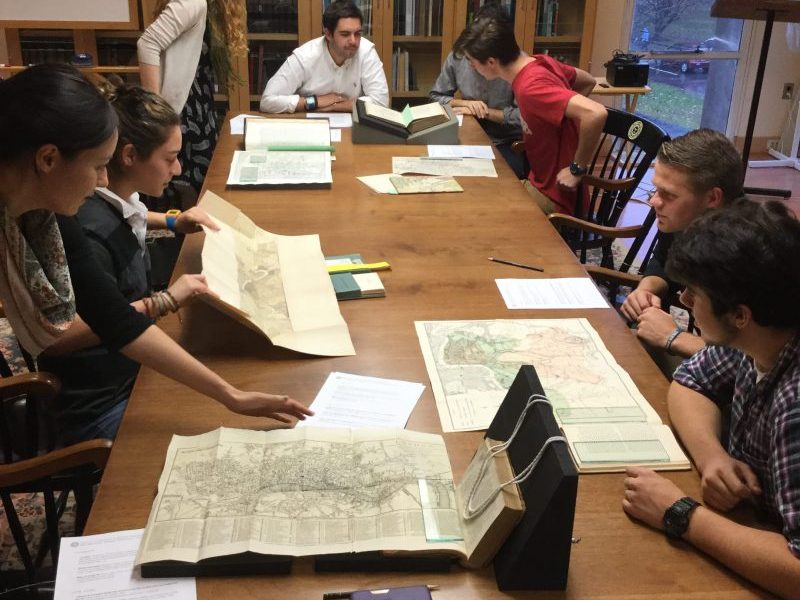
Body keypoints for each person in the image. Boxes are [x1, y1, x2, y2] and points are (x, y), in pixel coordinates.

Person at [0, 64, 311, 444]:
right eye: (98, 166)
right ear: (48, 160)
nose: (103, 181)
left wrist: (231, 396)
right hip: (89, 405)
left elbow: (115, 320)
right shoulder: (68, 215)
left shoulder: (49, 215)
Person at [622, 198, 800, 600]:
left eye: (693, 294)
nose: (684, 301)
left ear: (740, 314)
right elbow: (690, 383)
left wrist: (680, 512)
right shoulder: (754, 336)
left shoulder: (795, 404)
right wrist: (712, 457)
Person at [37, 81, 222, 444]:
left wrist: (171, 220)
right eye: (169, 158)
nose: (178, 168)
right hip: (102, 402)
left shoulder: (113, 200)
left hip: (122, 370)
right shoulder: (89, 230)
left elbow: (130, 215)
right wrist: (164, 300)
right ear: (129, 156)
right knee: (209, 417)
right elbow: (60, 338)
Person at [453, 14, 607, 216]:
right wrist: (565, 118)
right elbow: (588, 81)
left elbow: (595, 113)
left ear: (491, 62)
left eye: (472, 61)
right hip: (542, 182)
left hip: (553, 197)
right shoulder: (540, 62)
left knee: (473, 208)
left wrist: (577, 168)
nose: (471, 66)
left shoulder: (531, 87)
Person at [620, 129, 744, 363]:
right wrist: (647, 289)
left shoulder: (749, 255)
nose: (653, 201)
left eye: (668, 194)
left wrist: (675, 337)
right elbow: (663, 259)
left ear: (712, 198)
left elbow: (762, 364)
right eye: (656, 189)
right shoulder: (690, 217)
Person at [137, 0, 247, 204]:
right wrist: (153, 107)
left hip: (200, 107)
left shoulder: (211, 7)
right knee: (184, 187)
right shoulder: (193, 3)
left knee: (202, 185)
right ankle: (180, 233)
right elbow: (147, 43)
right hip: (184, 112)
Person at [429, 5, 525, 179]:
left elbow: (523, 119)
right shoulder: (459, 56)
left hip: (505, 142)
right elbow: (436, 97)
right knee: (439, 170)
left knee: (499, 179)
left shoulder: (515, 65)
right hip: (466, 134)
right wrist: (465, 104)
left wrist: (486, 112)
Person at [259, 0, 389, 114]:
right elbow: (267, 101)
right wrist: (315, 101)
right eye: (345, 34)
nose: (353, 41)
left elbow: (382, 102)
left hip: (353, 126)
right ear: (328, 34)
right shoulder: (305, 56)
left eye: (358, 34)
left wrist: (335, 107)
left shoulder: (366, 51)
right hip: (310, 124)